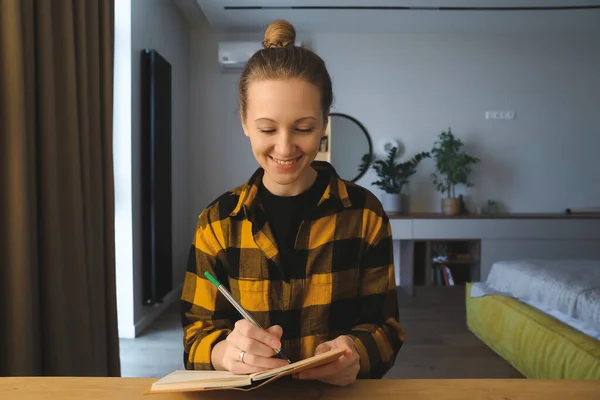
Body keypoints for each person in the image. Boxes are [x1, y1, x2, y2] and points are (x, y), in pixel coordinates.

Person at [181, 19, 405, 386]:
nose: (285, 148)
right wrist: (225, 352)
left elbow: (387, 330)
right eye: (267, 129)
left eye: (303, 128)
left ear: (324, 123)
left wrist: (355, 353)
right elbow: (194, 340)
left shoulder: (364, 215)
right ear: (244, 122)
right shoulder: (216, 223)